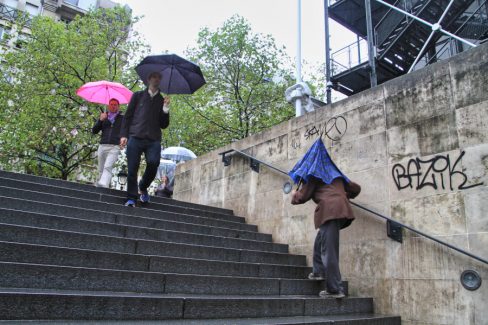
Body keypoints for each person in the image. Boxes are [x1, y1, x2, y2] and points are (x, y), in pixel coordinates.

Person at [289, 137, 361, 299]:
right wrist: (343, 194)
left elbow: (302, 197)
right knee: (320, 242)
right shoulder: (335, 174)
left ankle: (335, 289)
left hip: (329, 212)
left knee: (329, 252)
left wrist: (294, 194)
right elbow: (356, 188)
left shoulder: (314, 175)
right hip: (339, 211)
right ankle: (318, 271)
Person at [119, 71, 170, 207]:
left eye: (159, 77)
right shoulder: (138, 96)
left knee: (153, 164)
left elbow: (164, 125)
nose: (157, 79)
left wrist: (165, 109)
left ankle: (142, 186)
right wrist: (124, 135)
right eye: (154, 77)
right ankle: (131, 198)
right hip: (135, 136)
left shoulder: (162, 100)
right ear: (149, 79)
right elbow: (128, 116)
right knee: (132, 169)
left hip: (153, 139)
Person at [92, 98, 124, 188]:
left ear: (118, 106)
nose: (113, 106)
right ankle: (101, 186)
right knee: (101, 168)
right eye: (111, 104)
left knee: (108, 166)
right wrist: (100, 120)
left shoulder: (122, 118)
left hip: (115, 146)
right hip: (103, 145)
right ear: (108, 105)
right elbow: (94, 130)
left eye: (115, 105)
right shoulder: (104, 116)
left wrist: (124, 139)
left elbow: (126, 130)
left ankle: (104, 184)